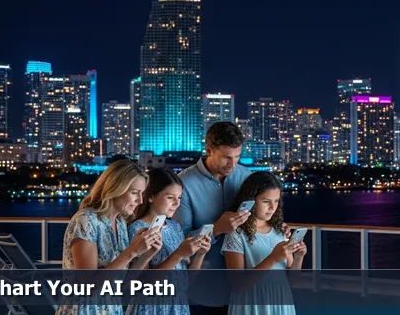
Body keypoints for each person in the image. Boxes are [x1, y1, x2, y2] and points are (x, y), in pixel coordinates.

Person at [57, 160, 163, 315]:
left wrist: (147, 255)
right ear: (114, 188)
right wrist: (131, 252)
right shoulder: (86, 221)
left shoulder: (120, 223)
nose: (140, 201)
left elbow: (123, 283)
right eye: (134, 193)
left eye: (142, 194)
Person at [173, 121, 260, 269]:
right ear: (209, 151)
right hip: (203, 273)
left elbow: (259, 219)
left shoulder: (246, 175)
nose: (233, 164)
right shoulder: (184, 183)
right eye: (226, 157)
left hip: (245, 269)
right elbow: (179, 240)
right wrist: (216, 228)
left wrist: (275, 227)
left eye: (237, 156)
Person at [126, 168, 212, 315]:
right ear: (151, 196)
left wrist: (200, 254)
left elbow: (186, 281)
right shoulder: (138, 229)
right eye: (170, 197)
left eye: (179, 198)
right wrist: (178, 255)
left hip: (178, 306)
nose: (176, 203)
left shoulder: (174, 226)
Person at [222, 171, 307, 315]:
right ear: (251, 200)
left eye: (276, 201)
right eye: (266, 201)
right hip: (251, 304)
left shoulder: (280, 232)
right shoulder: (236, 234)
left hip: (281, 301)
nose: (272, 207)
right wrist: (273, 258)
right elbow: (238, 285)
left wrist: (299, 257)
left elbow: (291, 281)